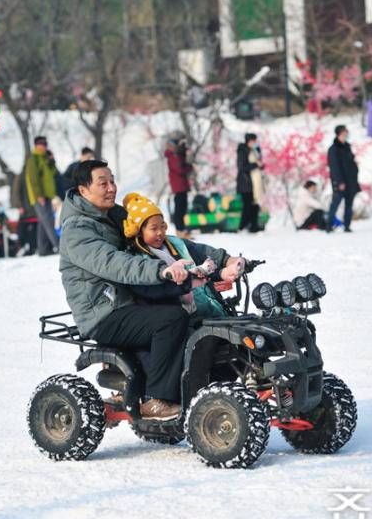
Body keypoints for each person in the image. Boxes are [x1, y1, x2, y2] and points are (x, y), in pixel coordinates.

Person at [58, 160, 243, 420]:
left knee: (200, 320)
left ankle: (208, 387)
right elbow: (114, 263)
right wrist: (161, 271)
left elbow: (170, 244)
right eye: (103, 183)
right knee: (170, 320)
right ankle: (158, 398)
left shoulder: (116, 215)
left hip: (133, 302)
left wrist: (223, 259)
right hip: (104, 313)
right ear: (83, 190)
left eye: (112, 181)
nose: (111, 188)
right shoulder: (77, 230)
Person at [24, 135, 59, 256]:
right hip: (39, 196)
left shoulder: (45, 158)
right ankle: (59, 246)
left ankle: (43, 249)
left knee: (43, 223)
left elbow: (53, 172)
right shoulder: (33, 159)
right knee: (49, 221)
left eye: (45, 144)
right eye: (42, 144)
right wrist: (39, 195)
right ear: (36, 145)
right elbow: (34, 179)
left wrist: (52, 161)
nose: (44, 146)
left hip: (47, 194)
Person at [327, 125, 360, 233]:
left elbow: (351, 163)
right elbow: (334, 167)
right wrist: (339, 181)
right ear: (338, 134)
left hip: (351, 181)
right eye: (343, 133)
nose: (346, 135)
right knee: (335, 203)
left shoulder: (347, 147)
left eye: (346, 132)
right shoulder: (333, 149)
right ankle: (329, 225)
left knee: (349, 205)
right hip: (340, 182)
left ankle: (347, 225)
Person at [236, 133, 263, 233]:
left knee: (255, 205)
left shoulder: (254, 151)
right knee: (247, 206)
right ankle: (242, 227)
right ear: (249, 141)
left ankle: (253, 226)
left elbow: (259, 163)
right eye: (253, 141)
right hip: (245, 183)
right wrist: (256, 164)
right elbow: (242, 167)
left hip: (254, 184)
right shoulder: (242, 151)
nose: (255, 143)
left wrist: (259, 162)